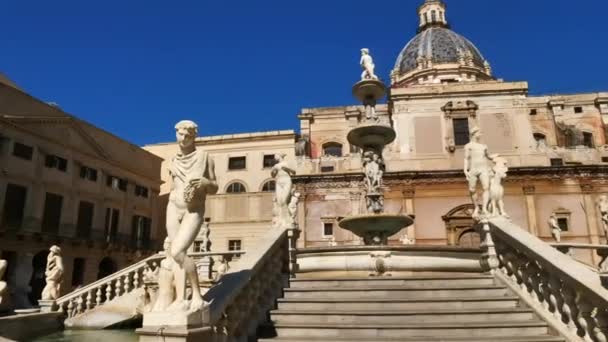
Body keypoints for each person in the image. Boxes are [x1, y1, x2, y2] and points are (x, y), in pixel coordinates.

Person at [165, 120, 218, 311]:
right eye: (180, 134)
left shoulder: (204, 157)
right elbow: (174, 186)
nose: (183, 138)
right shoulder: (173, 160)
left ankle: (196, 294)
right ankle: (180, 299)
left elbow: (214, 187)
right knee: (176, 255)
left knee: (177, 251)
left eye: (188, 135)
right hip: (173, 206)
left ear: (194, 136)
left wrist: (204, 182)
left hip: (193, 210)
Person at [464, 127, 493, 218]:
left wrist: (497, 158)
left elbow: (489, 156)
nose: (480, 134)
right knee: (472, 189)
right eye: (479, 133)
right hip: (473, 169)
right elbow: (466, 158)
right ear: (474, 134)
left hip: (483, 168)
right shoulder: (468, 146)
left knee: (486, 188)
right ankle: (476, 207)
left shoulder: (484, 146)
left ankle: (484, 208)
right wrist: (465, 170)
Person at [271, 153, 296, 228]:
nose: (275, 157)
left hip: (286, 180)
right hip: (278, 181)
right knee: (279, 201)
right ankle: (280, 220)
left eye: (276, 156)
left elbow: (294, 172)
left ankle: (287, 220)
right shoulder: (275, 166)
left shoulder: (286, 163)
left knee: (284, 200)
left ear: (280, 156)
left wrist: (287, 169)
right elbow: (272, 175)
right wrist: (273, 171)